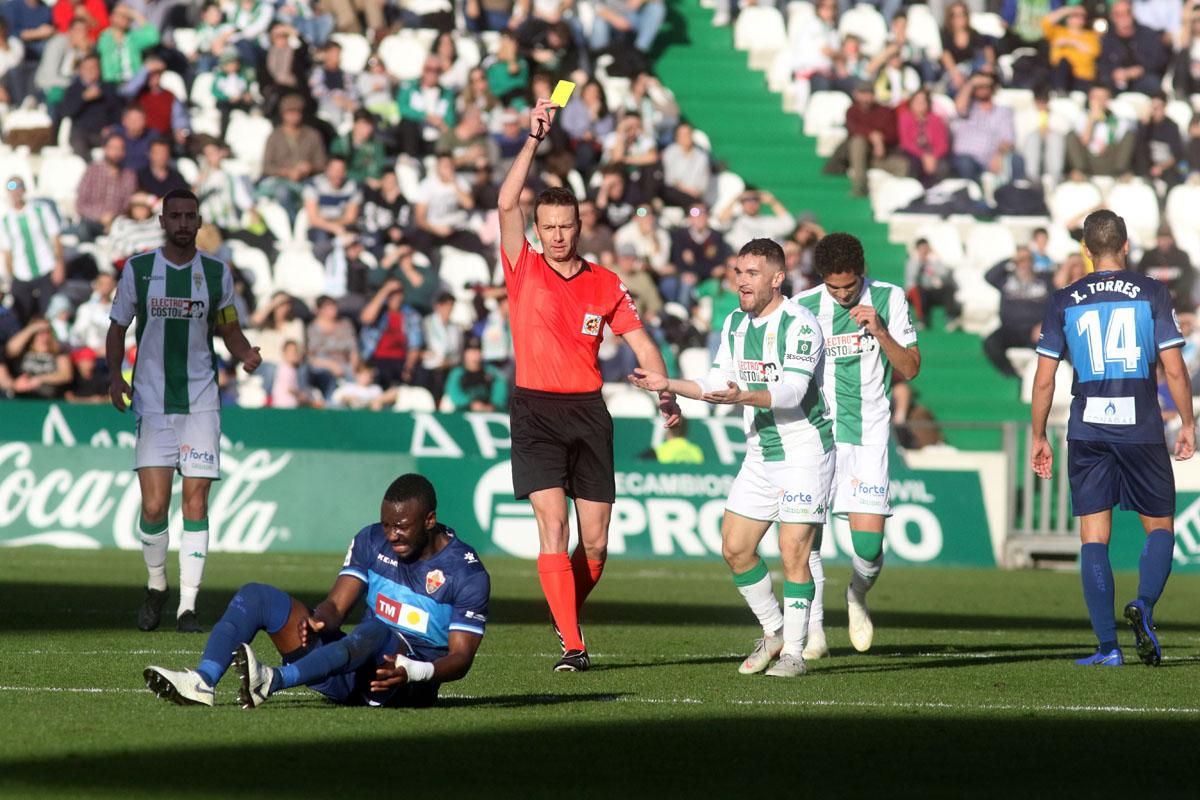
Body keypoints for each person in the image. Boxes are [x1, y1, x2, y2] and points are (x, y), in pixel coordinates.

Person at [498, 96, 680, 672]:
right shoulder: (522, 267)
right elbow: (506, 202)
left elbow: (641, 340)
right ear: (538, 229)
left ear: (580, 226)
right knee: (552, 527)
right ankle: (573, 645)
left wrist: (665, 389)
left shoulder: (604, 282)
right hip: (535, 411)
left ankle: (564, 612)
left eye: (564, 226)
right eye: (546, 226)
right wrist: (532, 139)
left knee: (595, 547)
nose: (555, 235)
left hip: (588, 412)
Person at [630, 238, 833, 677]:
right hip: (761, 452)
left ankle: (796, 652)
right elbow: (715, 381)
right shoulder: (736, 324)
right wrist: (668, 384)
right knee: (735, 548)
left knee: (793, 551)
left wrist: (744, 395)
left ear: (777, 279)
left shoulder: (800, 324)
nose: (742, 281)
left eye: (752, 273)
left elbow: (793, 392)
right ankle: (774, 630)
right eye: (739, 272)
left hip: (804, 451)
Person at [143, 474, 490, 708]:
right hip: (348, 665)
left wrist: (414, 671)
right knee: (256, 596)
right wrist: (320, 620)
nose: (391, 535)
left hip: (403, 684)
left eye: (401, 527)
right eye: (386, 524)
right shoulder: (371, 539)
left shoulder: (466, 572)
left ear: (429, 521)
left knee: (377, 628)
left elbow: (461, 659)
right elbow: (336, 605)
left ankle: (272, 680)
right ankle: (202, 682)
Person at [1031, 209, 1194, 667]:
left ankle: (1108, 647)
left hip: (1087, 428)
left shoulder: (1064, 298)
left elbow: (1045, 381)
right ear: (1126, 246)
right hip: (1140, 426)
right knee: (1160, 528)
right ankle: (1142, 604)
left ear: (1086, 250)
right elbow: (1175, 368)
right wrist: (1188, 422)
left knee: (1093, 538)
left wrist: (1038, 435)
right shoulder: (1153, 292)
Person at [105, 188, 262, 634]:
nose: (182, 223)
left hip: (201, 402)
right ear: (162, 221)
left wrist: (245, 353)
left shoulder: (215, 272)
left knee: (195, 501)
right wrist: (116, 376)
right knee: (154, 506)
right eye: (175, 216)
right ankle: (157, 586)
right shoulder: (139, 269)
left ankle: (188, 607)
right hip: (152, 401)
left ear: (198, 221)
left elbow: (229, 328)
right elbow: (118, 327)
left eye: (190, 216)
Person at [793, 232, 921, 658]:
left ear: (862, 273)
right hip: (818, 436)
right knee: (806, 538)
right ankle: (813, 632)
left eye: (849, 286)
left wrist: (882, 332)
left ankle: (856, 594)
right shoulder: (804, 308)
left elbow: (911, 368)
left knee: (868, 549)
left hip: (869, 437)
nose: (843, 295)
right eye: (834, 287)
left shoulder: (890, 298)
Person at [0, 176, 64, 325]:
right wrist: (11, 277)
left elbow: (55, 237)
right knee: (21, 314)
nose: (15, 193)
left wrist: (59, 264)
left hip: (46, 267)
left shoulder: (40, 209)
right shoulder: (6, 220)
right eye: (12, 189)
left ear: (24, 190)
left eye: (18, 187)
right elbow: (7, 252)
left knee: (49, 311)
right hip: (22, 272)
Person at [983, 246, 1054, 376]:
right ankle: (1011, 375)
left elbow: (1056, 305)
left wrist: (1045, 324)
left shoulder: (1044, 279)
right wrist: (1011, 259)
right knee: (991, 343)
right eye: (1020, 260)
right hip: (1010, 329)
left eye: (1027, 259)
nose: (1024, 264)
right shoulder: (1005, 279)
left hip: (1036, 329)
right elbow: (989, 276)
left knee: (1055, 346)